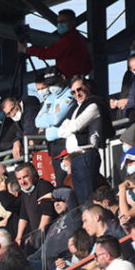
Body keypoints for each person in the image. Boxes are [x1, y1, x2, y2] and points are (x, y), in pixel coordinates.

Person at [53, 76, 112, 205]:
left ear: (87, 87)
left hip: (86, 155)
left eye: (79, 89)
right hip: (75, 158)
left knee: (88, 199)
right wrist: (72, 127)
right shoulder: (74, 109)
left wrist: (71, 126)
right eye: (73, 92)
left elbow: (76, 126)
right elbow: (60, 131)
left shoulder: (93, 105)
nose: (77, 94)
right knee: (80, 200)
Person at [21, 8, 92, 78]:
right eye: (58, 22)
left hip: (70, 78)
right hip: (75, 77)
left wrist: (26, 50)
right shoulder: (77, 37)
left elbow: (49, 53)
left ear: (72, 22)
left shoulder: (69, 39)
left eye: (63, 22)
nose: (60, 24)